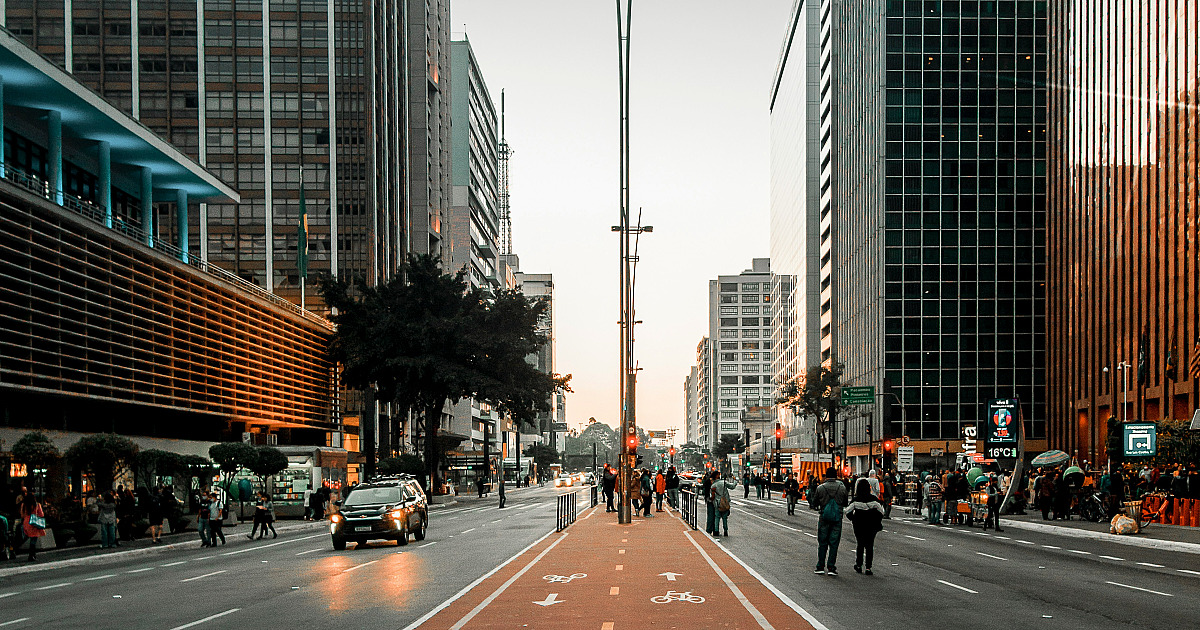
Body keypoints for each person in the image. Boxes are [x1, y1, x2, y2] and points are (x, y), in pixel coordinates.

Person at [812, 466, 848, 576]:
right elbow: (845, 502)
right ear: (836, 475)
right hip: (837, 517)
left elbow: (814, 503)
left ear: (826, 476)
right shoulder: (842, 488)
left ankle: (820, 566)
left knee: (822, 542)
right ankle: (831, 566)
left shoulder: (821, 488)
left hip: (824, 517)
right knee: (834, 543)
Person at [845, 478, 885, 575]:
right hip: (871, 525)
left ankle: (859, 565)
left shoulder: (856, 500)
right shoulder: (874, 500)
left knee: (860, 544)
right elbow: (881, 512)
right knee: (869, 545)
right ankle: (868, 567)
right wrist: (876, 520)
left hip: (859, 525)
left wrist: (853, 519)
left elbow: (847, 511)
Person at [18, 493, 45, 561]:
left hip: (26, 522)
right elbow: (41, 514)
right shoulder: (36, 505)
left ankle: (15, 548)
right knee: (33, 540)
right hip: (34, 522)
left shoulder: (23, 505)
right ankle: (32, 555)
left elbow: (22, 515)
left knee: (26, 536)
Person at [702, 471, 717, 535]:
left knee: (711, 515)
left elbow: (703, 491)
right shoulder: (714, 482)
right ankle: (713, 529)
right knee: (713, 515)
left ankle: (710, 529)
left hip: (709, 500)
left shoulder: (707, 481)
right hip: (713, 500)